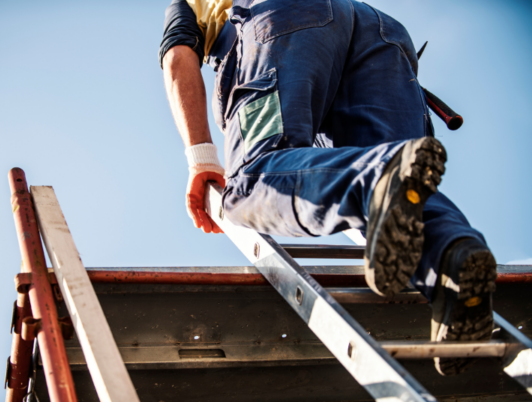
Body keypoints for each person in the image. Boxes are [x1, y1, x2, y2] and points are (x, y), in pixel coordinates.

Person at [159, 0, 497, 375]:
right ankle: (455, 264)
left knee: (251, 181)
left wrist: (201, 158)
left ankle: (377, 177)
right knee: (403, 191)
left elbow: (177, 56)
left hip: (282, 20)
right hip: (379, 33)